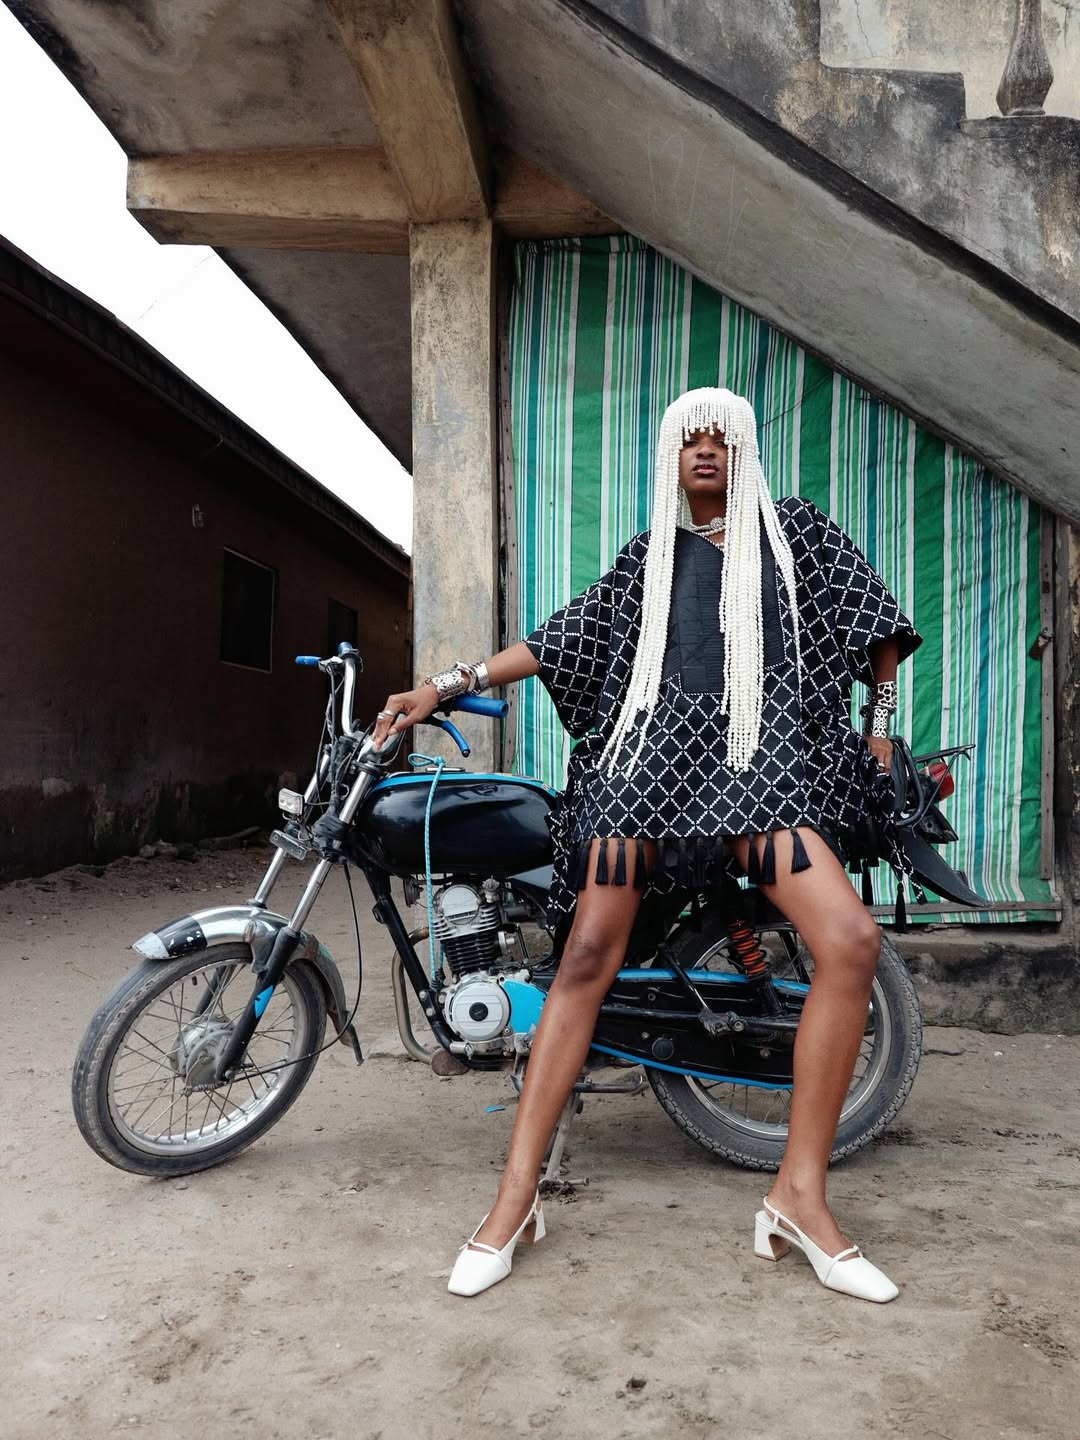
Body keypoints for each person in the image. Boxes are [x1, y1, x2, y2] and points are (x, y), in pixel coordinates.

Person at [373, 387, 921, 1304]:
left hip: (761, 767)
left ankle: (799, 1195)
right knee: (587, 953)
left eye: (723, 436)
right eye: (688, 438)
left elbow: (879, 630)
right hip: (648, 769)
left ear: (745, 453)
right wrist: (444, 681)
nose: (705, 448)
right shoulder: (650, 560)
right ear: (671, 460)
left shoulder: (796, 534)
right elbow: (559, 641)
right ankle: (514, 1200)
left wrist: (876, 730)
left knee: (853, 944)